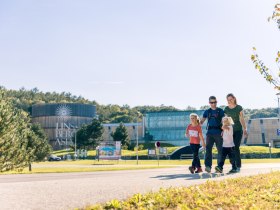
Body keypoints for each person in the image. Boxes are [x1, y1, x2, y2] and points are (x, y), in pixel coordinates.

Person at [200, 96, 225, 173]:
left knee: (220, 150)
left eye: (215, 102)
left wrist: (223, 130)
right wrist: (194, 125)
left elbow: (224, 121)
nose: (213, 104)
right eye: (212, 102)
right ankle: (208, 166)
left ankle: (219, 167)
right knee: (208, 150)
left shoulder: (220, 111)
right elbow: (201, 122)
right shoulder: (207, 111)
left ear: (216, 102)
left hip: (218, 132)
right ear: (209, 103)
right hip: (209, 133)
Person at [224, 93, 247, 172]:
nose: (229, 101)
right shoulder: (226, 109)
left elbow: (242, 119)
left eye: (231, 99)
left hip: (238, 130)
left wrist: (245, 129)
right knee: (231, 148)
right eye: (228, 100)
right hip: (230, 131)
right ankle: (233, 166)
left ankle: (238, 166)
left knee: (236, 147)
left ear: (234, 98)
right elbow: (226, 120)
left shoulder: (239, 107)